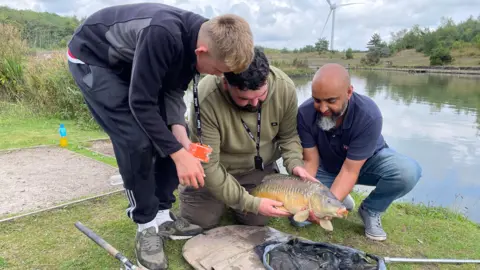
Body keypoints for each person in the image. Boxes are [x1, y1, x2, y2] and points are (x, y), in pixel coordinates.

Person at [66, 3, 255, 269]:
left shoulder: (205, 38)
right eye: (218, 69)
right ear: (202, 51)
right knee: (136, 141)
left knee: (173, 136)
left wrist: (181, 139)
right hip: (95, 58)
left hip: (132, 61)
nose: (219, 75)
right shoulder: (163, 33)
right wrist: (178, 155)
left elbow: (172, 93)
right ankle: (145, 224)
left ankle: (164, 215)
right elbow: (140, 103)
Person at [179, 48, 318, 229]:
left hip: (256, 170)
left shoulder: (285, 87)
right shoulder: (205, 98)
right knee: (200, 221)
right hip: (216, 168)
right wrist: (252, 203)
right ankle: (223, 197)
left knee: (257, 220)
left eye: (261, 96)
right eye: (244, 98)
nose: (254, 104)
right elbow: (208, 163)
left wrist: (295, 163)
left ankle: (236, 198)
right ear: (225, 83)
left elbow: (289, 136)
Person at [294, 63, 422, 241]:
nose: (323, 108)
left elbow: (350, 170)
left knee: (407, 172)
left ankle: (370, 210)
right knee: (299, 219)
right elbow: (310, 161)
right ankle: (341, 197)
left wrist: (327, 207)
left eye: (331, 101)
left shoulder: (368, 115)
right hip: (328, 167)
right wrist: (304, 199)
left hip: (366, 164)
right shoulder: (304, 113)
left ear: (349, 92)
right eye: (317, 100)